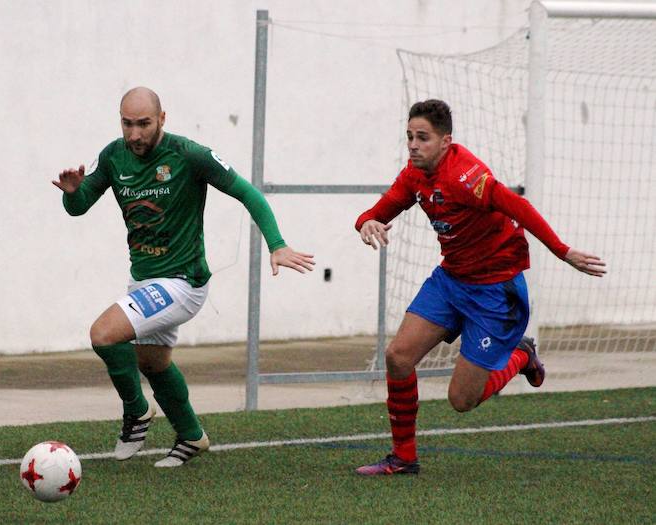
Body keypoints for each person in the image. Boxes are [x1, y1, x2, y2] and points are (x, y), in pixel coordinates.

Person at [52, 87, 314, 467]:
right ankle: (191, 436)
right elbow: (78, 207)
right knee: (152, 363)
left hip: (183, 282)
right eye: (127, 124)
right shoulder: (113, 155)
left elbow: (248, 194)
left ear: (162, 118)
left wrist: (276, 243)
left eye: (144, 123)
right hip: (144, 280)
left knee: (104, 334)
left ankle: (137, 411)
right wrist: (72, 194)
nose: (135, 134)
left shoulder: (190, 155)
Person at [353, 99, 606, 475]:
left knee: (461, 400)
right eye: (409, 136)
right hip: (452, 281)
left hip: (495, 292)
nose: (413, 145)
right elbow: (379, 210)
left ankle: (521, 356)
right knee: (398, 356)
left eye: (422, 137)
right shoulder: (414, 175)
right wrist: (367, 223)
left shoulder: (466, 176)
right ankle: (403, 458)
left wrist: (562, 250)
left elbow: (517, 206)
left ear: (445, 141)